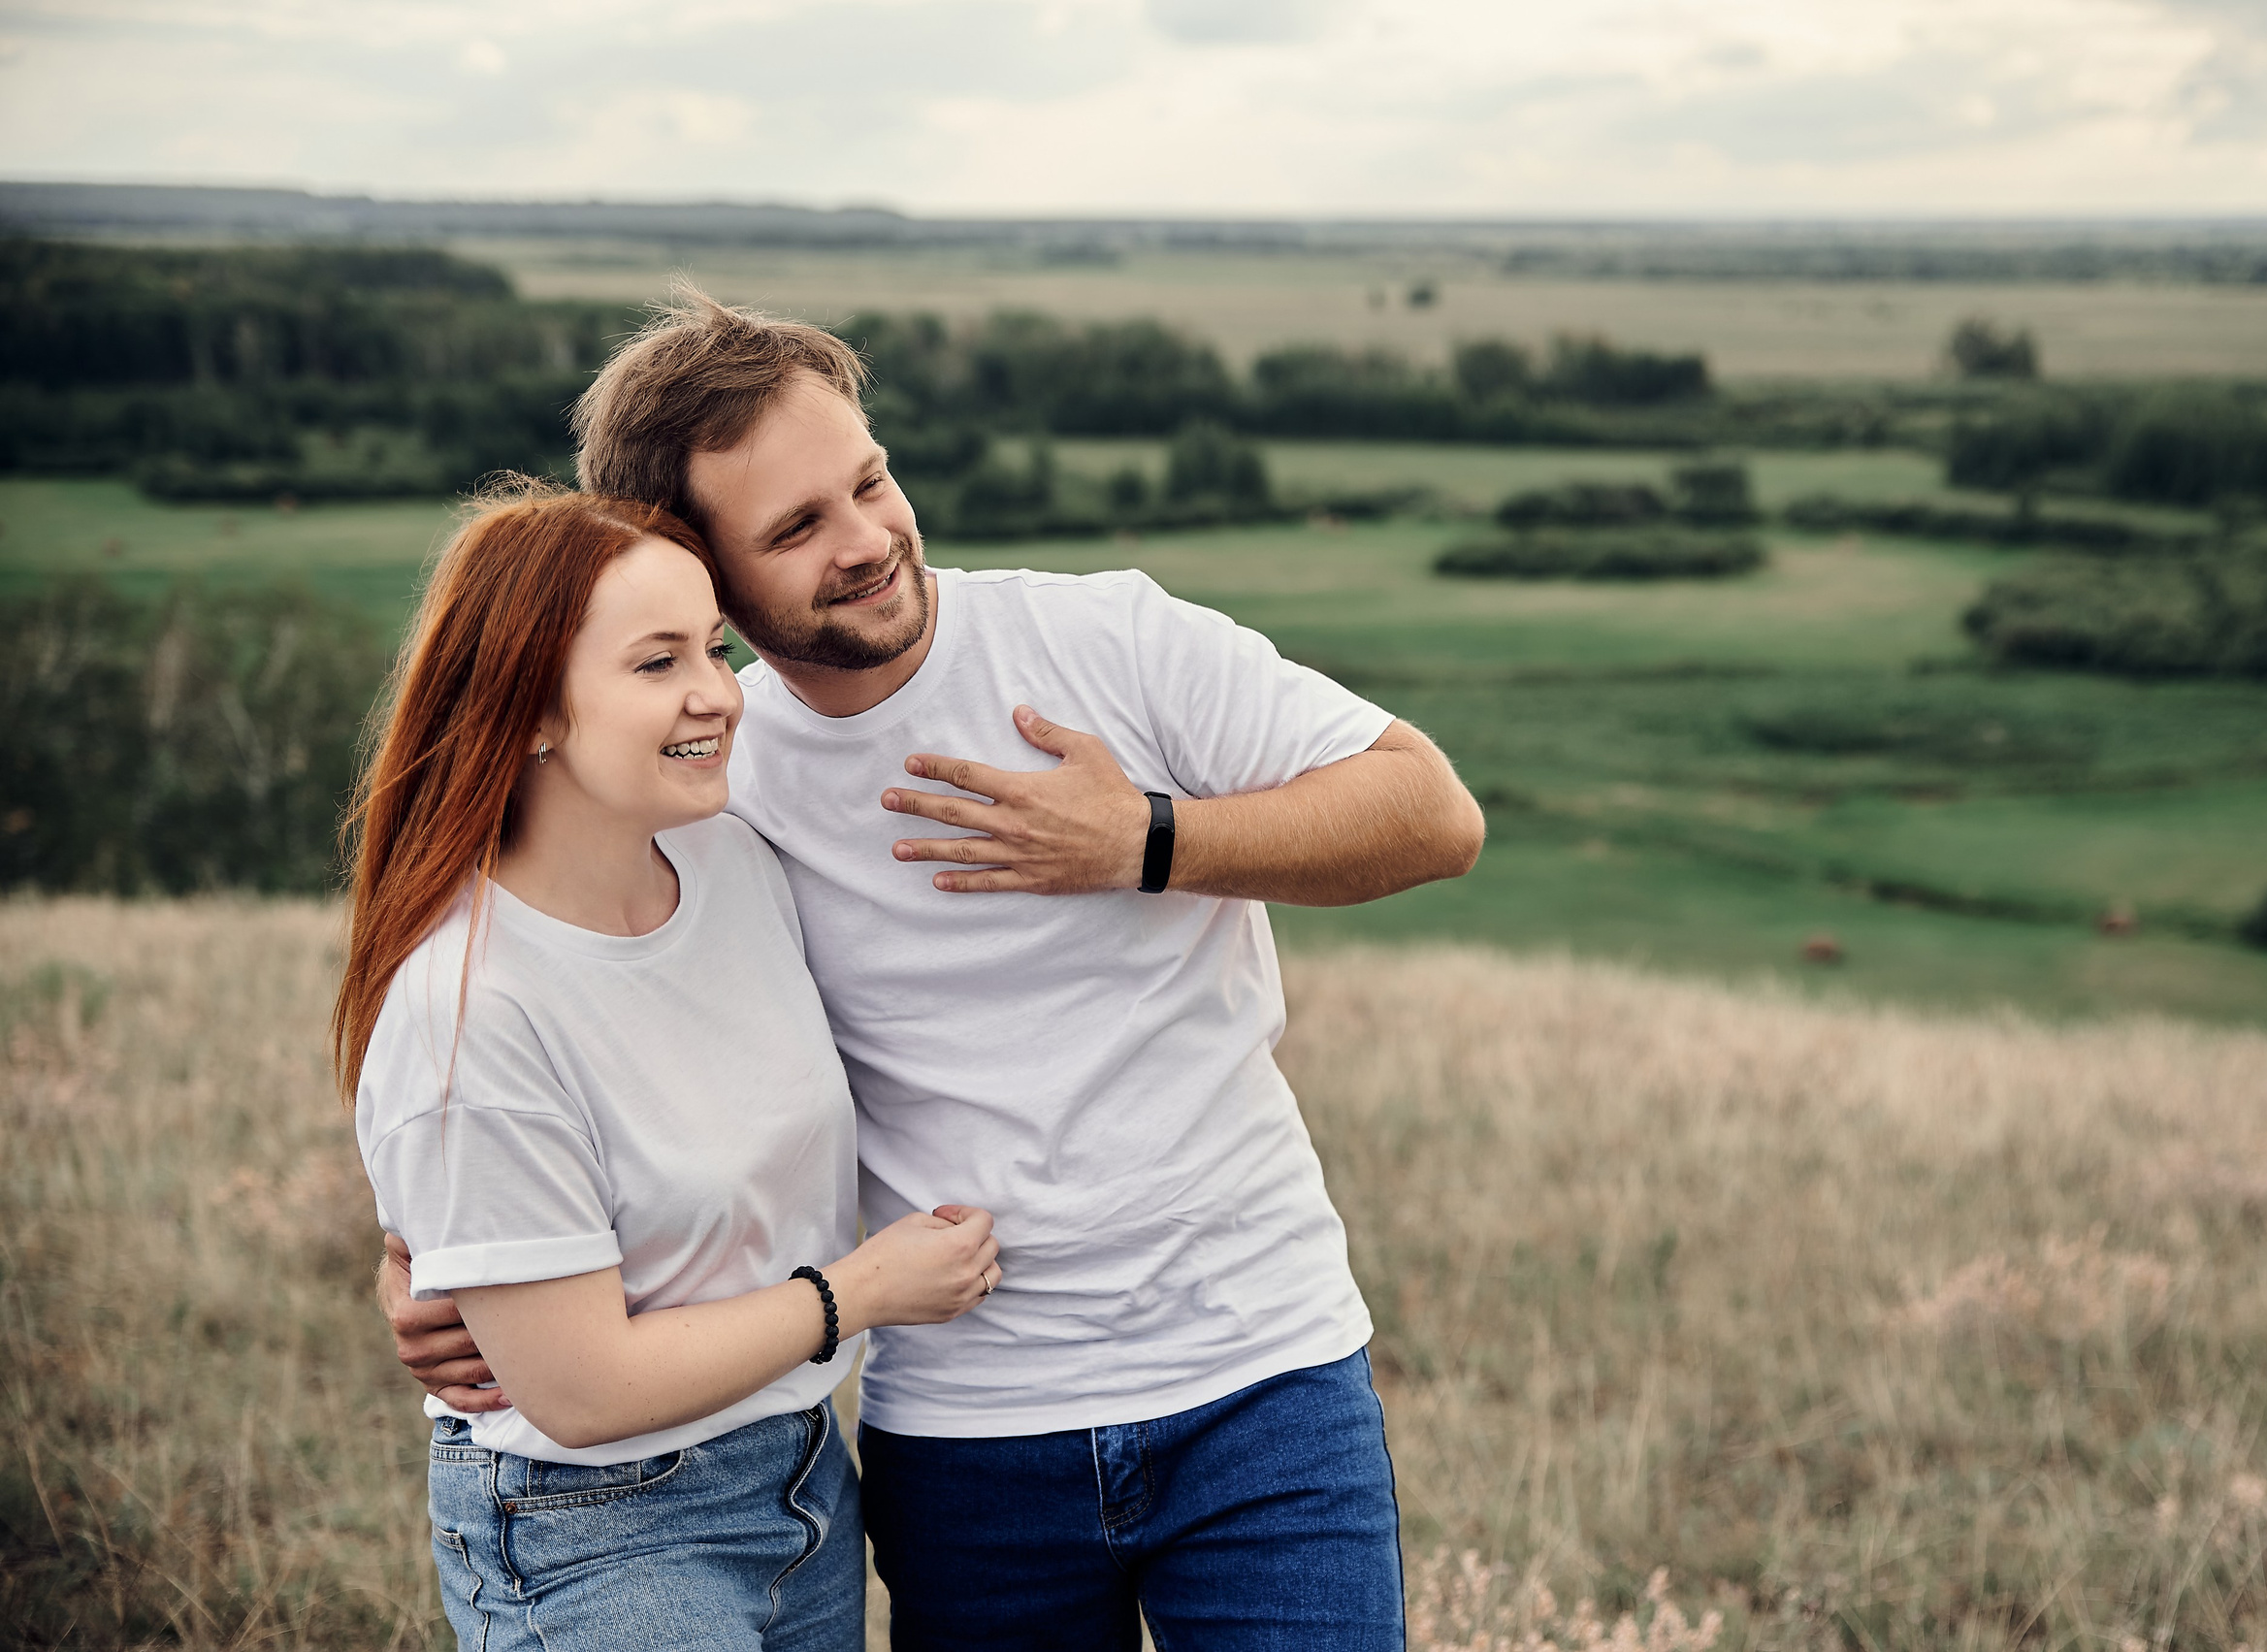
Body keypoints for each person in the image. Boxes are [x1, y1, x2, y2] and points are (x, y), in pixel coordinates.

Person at [380, 291, 1488, 1649]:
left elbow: (1433, 814)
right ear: (697, 565)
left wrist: (1147, 839)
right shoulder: (711, 779)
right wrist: (430, 1254)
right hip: (969, 1427)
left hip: (1263, 1371)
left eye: (869, 481)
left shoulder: (1109, 640)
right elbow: (551, 1008)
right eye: (796, 527)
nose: (866, 539)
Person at [340, 485, 1001, 1651]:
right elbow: (584, 1390)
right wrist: (861, 1290)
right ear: (528, 710)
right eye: (657, 662)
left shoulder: (734, 861)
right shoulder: (471, 1010)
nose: (718, 693)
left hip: (801, 1477)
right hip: (597, 1531)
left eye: (714, 648)